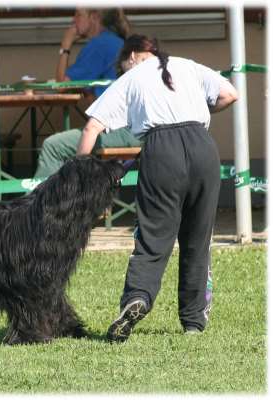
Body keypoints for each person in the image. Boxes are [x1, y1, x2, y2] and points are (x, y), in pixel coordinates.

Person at [77, 34, 238, 341]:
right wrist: (193, 119)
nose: (124, 70)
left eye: (123, 65)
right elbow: (229, 95)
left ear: (134, 56)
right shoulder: (188, 66)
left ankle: (137, 297)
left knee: (153, 236)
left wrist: (78, 176)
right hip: (203, 146)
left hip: (161, 150)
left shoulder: (132, 77)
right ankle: (193, 321)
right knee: (197, 237)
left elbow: (92, 126)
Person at [34, 8, 141, 179]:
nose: (73, 20)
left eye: (77, 14)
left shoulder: (99, 44)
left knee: (52, 146)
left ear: (94, 17)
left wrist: (65, 46)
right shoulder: (114, 41)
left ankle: (39, 205)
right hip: (136, 128)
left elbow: (61, 85)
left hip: (124, 131)